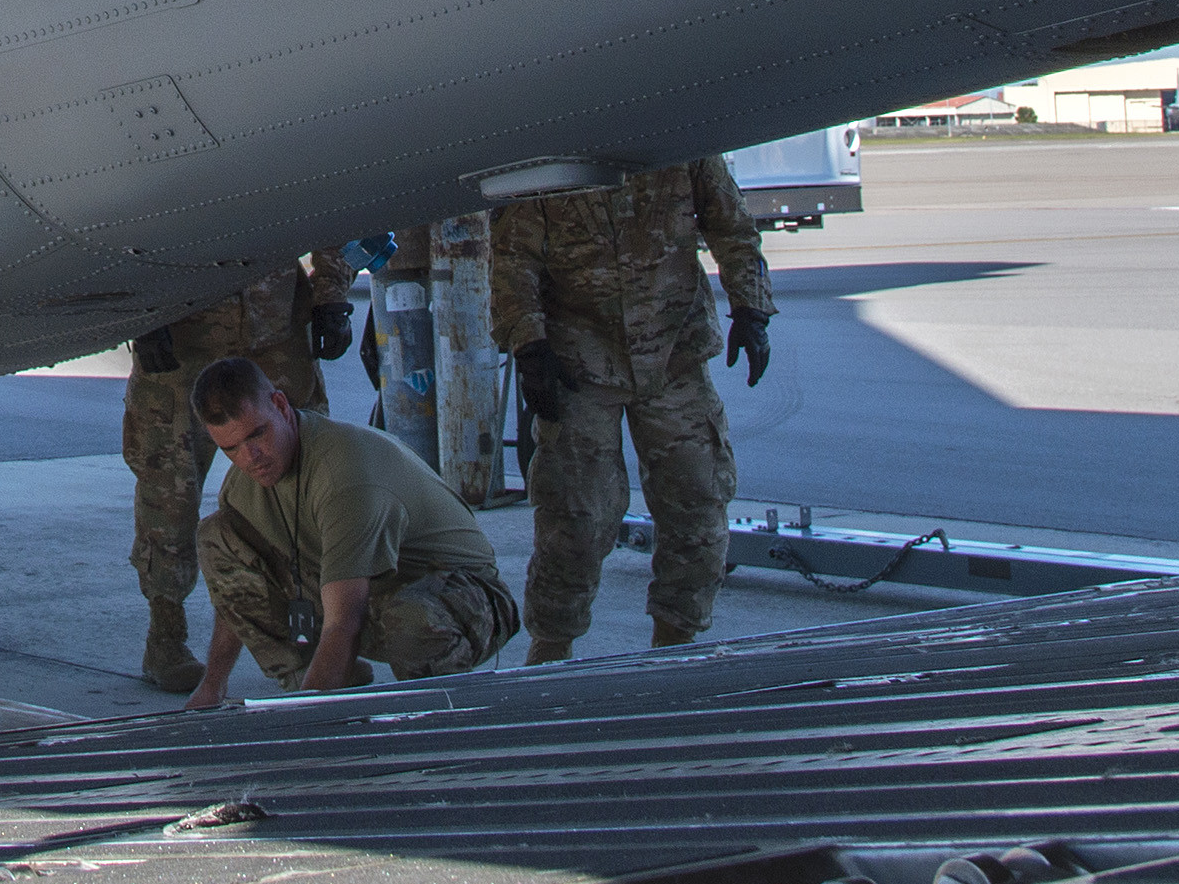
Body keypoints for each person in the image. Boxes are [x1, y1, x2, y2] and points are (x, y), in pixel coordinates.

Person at [492, 154, 776, 662]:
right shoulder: (554, 151)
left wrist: (751, 308)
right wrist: (528, 343)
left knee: (698, 499)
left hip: (673, 355)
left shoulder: (680, 145)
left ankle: (675, 646)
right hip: (580, 361)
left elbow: (732, 226)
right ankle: (551, 650)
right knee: (576, 516)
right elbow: (515, 257)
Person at [183, 355, 519, 704]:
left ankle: (428, 706)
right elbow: (236, 589)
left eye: (257, 434)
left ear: (281, 406)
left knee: (409, 621)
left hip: (462, 598)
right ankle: (309, 677)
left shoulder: (345, 476)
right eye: (230, 448)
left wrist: (305, 722)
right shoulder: (244, 484)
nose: (249, 456)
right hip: (370, 591)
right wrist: (213, 685)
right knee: (219, 536)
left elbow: (345, 620)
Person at [121, 256, 352, 691]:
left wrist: (332, 295)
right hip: (183, 334)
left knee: (300, 488)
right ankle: (166, 636)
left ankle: (305, 639)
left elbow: (323, 203)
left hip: (275, 328)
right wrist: (144, 313)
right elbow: (125, 222)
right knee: (169, 490)